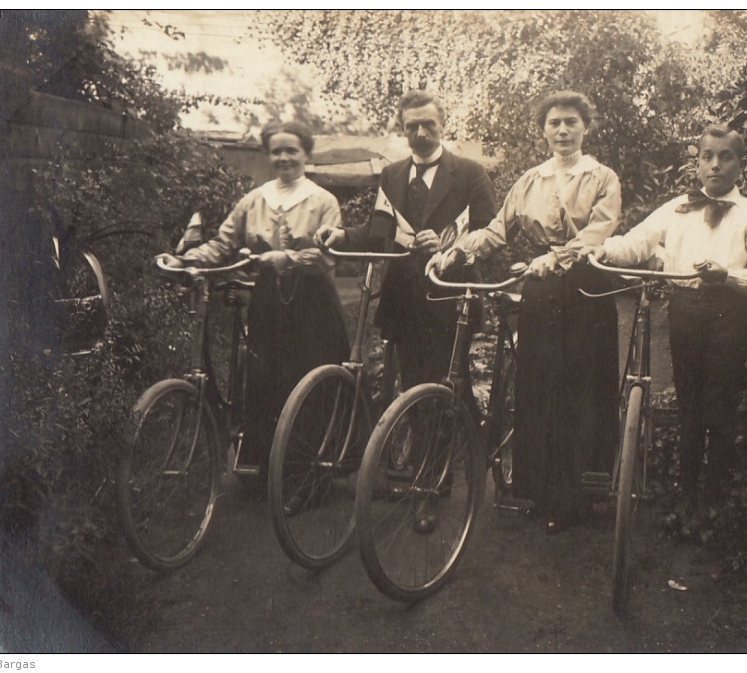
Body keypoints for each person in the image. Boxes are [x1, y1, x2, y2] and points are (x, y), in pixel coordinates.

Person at [430, 90, 622, 535]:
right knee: (538, 385)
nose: (562, 130)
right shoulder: (529, 180)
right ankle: (538, 491)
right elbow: (498, 230)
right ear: (543, 129)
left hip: (585, 288)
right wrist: (456, 252)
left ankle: (580, 496)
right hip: (539, 290)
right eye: (554, 122)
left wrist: (558, 258)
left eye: (571, 122)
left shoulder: (602, 177)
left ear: (585, 127)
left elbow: (600, 229)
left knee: (579, 388)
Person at [584, 123, 747, 533]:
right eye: (707, 156)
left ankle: (714, 507)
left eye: (726, 157)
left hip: (729, 316)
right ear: (697, 163)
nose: (715, 165)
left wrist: (727, 275)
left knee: (720, 411)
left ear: (741, 166)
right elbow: (636, 241)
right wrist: (603, 248)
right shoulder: (676, 209)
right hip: (685, 311)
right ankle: (687, 502)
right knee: (689, 409)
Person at [318, 90, 496, 533]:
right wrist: (342, 237)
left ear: (443, 125)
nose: (419, 133)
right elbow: (379, 233)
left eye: (428, 125)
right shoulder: (392, 175)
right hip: (403, 304)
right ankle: (446, 460)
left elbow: (492, 236)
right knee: (413, 392)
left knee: (436, 394)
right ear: (403, 128)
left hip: (449, 300)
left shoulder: (470, 174)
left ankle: (431, 490)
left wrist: (451, 248)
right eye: (411, 126)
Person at [158, 120, 350, 482]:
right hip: (268, 303)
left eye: (291, 150)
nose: (283, 158)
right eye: (276, 151)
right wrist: (185, 260)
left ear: (306, 154)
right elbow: (222, 243)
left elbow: (327, 258)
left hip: (313, 304)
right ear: (267, 155)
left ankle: (305, 477)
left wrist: (289, 259)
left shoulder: (323, 200)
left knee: (305, 382)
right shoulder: (255, 199)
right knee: (264, 380)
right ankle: (266, 473)